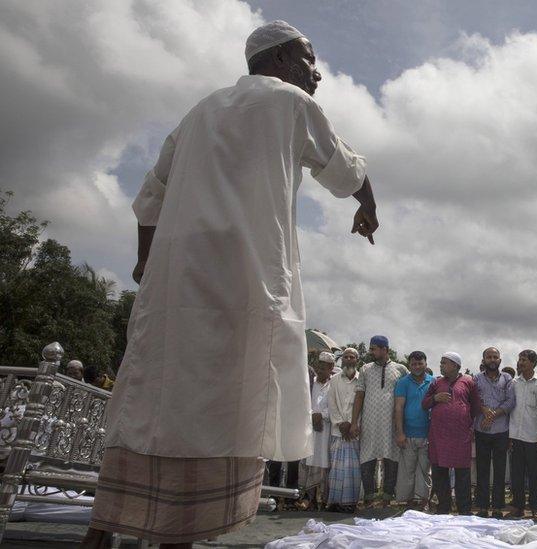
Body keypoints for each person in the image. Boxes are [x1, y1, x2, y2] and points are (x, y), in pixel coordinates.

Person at [81, 20, 379, 548]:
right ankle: (179, 535)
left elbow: (151, 195)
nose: (318, 73)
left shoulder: (201, 111)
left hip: (176, 282)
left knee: (153, 395)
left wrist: (146, 262)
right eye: (310, 60)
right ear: (282, 60)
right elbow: (345, 168)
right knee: (221, 401)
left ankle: (103, 531)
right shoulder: (290, 102)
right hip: (243, 279)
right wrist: (368, 208)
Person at [351, 335, 408, 507]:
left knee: (392, 459)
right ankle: (368, 498)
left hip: (392, 424)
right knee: (367, 458)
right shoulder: (366, 369)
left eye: (374, 348)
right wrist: (354, 422)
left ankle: (387, 499)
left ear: (385, 349)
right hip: (369, 422)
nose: (371, 352)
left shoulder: (401, 369)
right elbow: (359, 395)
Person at [424, 352, 480, 515]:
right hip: (438, 435)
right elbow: (424, 404)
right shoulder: (436, 382)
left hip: (460, 435)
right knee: (439, 472)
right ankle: (443, 508)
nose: (441, 365)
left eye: (444, 363)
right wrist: (436, 398)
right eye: (441, 363)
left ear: (455, 365)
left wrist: (467, 423)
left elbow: (475, 406)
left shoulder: (468, 381)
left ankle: (464, 510)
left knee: (462, 473)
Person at [472, 347, 514, 518]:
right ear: (483, 360)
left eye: (495, 357)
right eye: (489, 357)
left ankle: (497, 507)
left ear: (500, 360)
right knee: (482, 469)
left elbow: (510, 401)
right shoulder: (476, 379)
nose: (492, 359)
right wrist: (484, 411)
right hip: (481, 430)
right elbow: (474, 399)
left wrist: (493, 415)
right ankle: (482, 506)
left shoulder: (507, 378)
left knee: (499, 470)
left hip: (501, 430)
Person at [394, 351, 434, 509]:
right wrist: (400, 433)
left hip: (428, 434)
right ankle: (408, 502)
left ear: (426, 364)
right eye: (413, 364)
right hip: (408, 434)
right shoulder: (403, 382)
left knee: (424, 470)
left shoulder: (434, 382)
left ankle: (423, 501)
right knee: (407, 470)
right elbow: (398, 408)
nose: (417, 366)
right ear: (409, 365)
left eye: (420, 363)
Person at [509, 349, 537, 518]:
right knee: (516, 474)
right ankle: (518, 507)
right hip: (515, 435)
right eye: (520, 359)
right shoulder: (514, 383)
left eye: (524, 360)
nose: (521, 363)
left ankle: (536, 508)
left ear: (533, 363)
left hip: (533, 436)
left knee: (535, 475)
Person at [327, 349, 363, 513]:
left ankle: (350, 503)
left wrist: (354, 424)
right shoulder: (334, 380)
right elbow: (331, 403)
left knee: (352, 469)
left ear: (357, 360)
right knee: (337, 467)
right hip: (338, 431)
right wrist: (340, 424)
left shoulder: (362, 379)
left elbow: (364, 404)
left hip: (355, 431)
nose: (348, 359)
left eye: (352, 357)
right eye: (346, 357)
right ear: (342, 360)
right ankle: (334, 502)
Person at [303, 352, 334, 510]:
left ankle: (324, 499)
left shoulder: (334, 385)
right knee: (309, 462)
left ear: (331, 368)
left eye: (325, 368)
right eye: (319, 367)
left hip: (326, 430)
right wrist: (312, 416)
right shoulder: (310, 383)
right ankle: (310, 499)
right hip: (309, 430)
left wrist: (321, 416)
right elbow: (303, 403)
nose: (321, 370)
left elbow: (335, 408)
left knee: (324, 463)